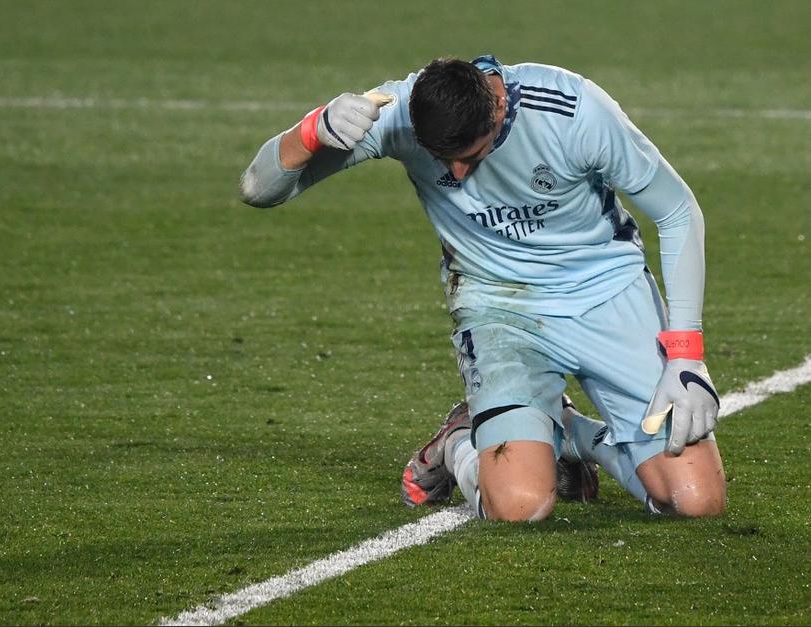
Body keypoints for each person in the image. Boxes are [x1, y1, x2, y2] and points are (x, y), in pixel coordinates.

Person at [238, 55, 726, 521]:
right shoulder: (397, 115)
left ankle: (571, 434)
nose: (454, 174)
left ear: (498, 109)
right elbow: (258, 190)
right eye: (441, 159)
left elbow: (677, 210)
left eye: (469, 156)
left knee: (693, 501)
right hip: (499, 310)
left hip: (606, 292)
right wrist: (312, 129)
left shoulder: (572, 109)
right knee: (520, 507)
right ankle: (459, 444)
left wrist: (685, 352)